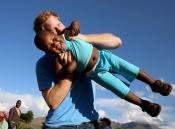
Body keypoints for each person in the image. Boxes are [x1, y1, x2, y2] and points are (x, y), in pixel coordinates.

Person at [34, 22, 172, 118]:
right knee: (118, 88)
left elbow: (74, 24)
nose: (56, 43)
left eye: (53, 38)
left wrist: (75, 25)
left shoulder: (66, 36)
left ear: (55, 34)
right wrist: (69, 67)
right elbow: (61, 75)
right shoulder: (59, 59)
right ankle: (144, 104)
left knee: (130, 68)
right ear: (49, 52)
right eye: (51, 46)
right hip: (95, 73)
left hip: (105, 57)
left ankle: (154, 84)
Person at [34, 11, 121, 129]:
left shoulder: (82, 45)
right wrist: (69, 70)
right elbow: (53, 102)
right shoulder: (43, 63)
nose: (61, 30)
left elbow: (116, 41)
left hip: (90, 123)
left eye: (59, 24)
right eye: (54, 29)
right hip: (59, 126)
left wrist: (82, 38)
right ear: (45, 36)